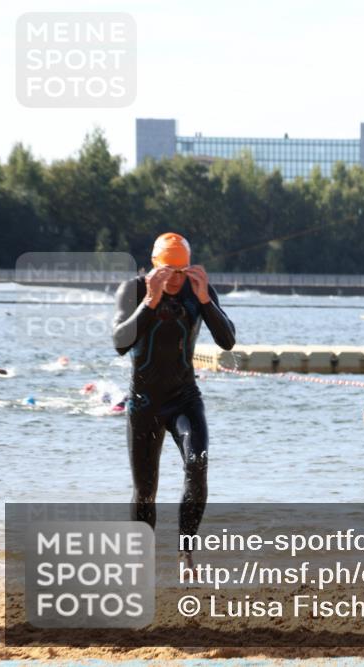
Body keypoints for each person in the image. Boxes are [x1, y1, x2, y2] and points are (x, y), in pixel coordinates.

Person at [111, 232, 236, 566]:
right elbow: (119, 344)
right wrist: (150, 301)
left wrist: (206, 301)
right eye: (168, 271)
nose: (174, 279)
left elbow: (228, 342)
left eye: (180, 272)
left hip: (184, 399)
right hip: (143, 403)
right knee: (146, 490)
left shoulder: (199, 290)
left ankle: (185, 552)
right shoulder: (134, 290)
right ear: (155, 266)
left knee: (198, 464)